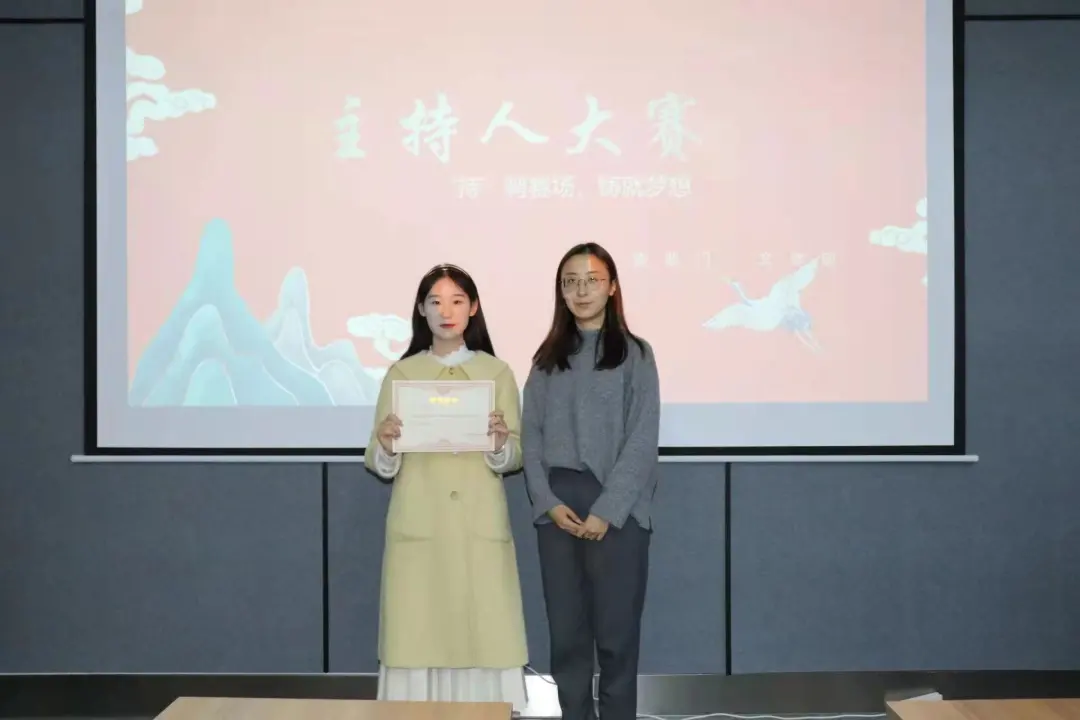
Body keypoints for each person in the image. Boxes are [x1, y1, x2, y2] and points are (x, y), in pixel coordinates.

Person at [364, 264, 529, 713]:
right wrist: (387, 444)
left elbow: (516, 455)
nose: (446, 311)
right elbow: (377, 459)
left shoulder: (497, 373)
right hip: (420, 527)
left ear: (473, 308)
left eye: (457, 301)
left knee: (484, 635)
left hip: (478, 527)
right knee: (417, 635)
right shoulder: (402, 374)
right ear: (421, 310)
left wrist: (500, 443)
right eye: (435, 302)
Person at [521, 243, 660, 720]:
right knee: (567, 638)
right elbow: (530, 438)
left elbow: (642, 438)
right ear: (560, 292)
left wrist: (607, 510)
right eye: (570, 282)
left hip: (618, 511)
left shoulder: (636, 355)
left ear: (613, 286)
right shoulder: (546, 359)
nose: (581, 291)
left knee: (617, 638)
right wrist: (546, 501)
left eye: (592, 279)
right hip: (558, 508)